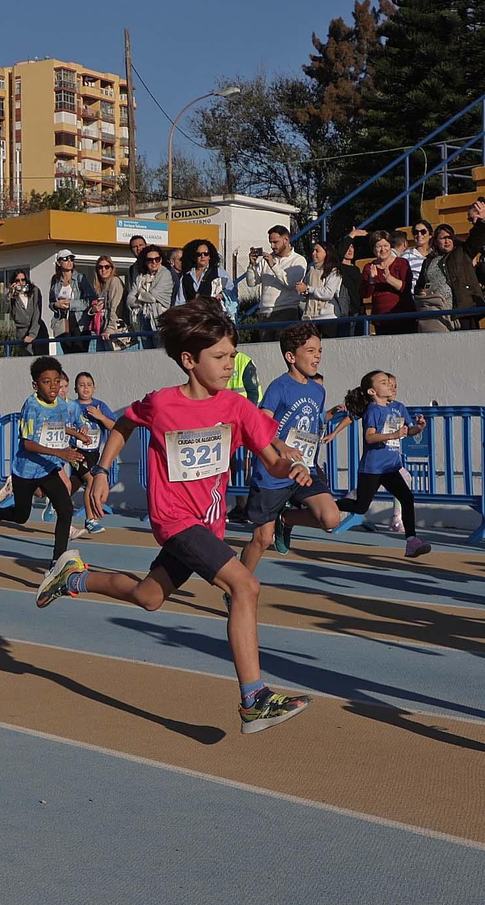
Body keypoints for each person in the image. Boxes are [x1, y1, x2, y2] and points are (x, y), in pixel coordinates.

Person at [58, 298, 315, 734]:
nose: (229, 364)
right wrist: (101, 471)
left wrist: (289, 466)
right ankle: (254, 698)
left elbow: (270, 459)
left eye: (232, 355)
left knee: (149, 597)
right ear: (189, 360)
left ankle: (74, 577)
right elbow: (122, 425)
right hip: (175, 521)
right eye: (219, 357)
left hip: (208, 523)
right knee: (245, 585)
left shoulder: (236, 407)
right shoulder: (161, 404)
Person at [237, 325, 344, 566]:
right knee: (262, 540)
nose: (317, 356)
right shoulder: (279, 387)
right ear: (291, 357)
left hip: (304, 468)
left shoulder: (318, 391)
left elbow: (309, 424)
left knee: (331, 518)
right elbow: (258, 425)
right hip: (274, 471)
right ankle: (238, 587)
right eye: (310, 350)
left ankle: (286, 519)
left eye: (319, 350)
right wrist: (279, 445)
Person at [0, 356, 91, 558]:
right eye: (46, 381)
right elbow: (28, 443)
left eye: (56, 381)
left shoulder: (61, 405)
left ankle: (57, 562)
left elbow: (56, 428)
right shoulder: (31, 407)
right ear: (35, 384)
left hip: (47, 469)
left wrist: (77, 435)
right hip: (26, 471)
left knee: (65, 509)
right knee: (21, 516)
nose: (52, 387)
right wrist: (61, 453)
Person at [335, 370, 431, 559]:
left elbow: (407, 430)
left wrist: (418, 428)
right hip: (372, 468)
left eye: (390, 382)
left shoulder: (398, 408)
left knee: (407, 498)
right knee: (361, 507)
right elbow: (370, 437)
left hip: (391, 467)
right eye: (384, 382)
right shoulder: (373, 411)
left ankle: (411, 541)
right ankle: (326, 505)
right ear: (372, 391)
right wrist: (393, 435)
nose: (390, 385)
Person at [71, 371, 115, 536]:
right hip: (76, 451)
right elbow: (64, 426)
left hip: (94, 453)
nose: (85, 388)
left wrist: (100, 417)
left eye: (89, 385)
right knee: (91, 479)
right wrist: (77, 431)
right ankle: (90, 520)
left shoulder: (100, 406)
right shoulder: (72, 406)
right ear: (76, 389)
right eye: (81, 385)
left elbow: (114, 427)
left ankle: (56, 500)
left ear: (94, 388)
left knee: (75, 481)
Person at [243, 225, 307, 323]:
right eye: (271, 242)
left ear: (286, 240)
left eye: (275, 242)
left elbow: (290, 283)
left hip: (286, 310)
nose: (272, 246)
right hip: (264, 311)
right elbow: (251, 283)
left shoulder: (298, 260)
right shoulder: (266, 260)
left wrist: (273, 265)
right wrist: (252, 265)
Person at [362, 230, 416, 334]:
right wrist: (372, 281)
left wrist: (390, 279)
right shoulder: (369, 267)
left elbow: (406, 288)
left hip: (404, 318)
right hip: (381, 321)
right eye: (378, 246)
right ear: (373, 248)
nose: (383, 249)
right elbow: (364, 293)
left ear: (390, 246)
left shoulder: (401, 263)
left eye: (385, 245)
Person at [171, 238, 237, 317]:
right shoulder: (186, 277)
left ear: (210, 256)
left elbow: (232, 290)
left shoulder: (218, 272)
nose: (203, 256)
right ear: (194, 257)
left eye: (206, 253)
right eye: (199, 254)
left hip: (212, 318)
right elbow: (180, 302)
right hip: (193, 319)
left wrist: (222, 295)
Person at [409, 222, 453, 331]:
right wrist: (420, 291)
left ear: (430, 235)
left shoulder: (457, 254)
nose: (419, 235)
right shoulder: (426, 260)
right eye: (415, 232)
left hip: (455, 308)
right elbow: (418, 285)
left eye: (423, 231)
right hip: (431, 308)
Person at [48, 250, 94, 354]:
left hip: (79, 322)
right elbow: (51, 302)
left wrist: (71, 304)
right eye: (65, 259)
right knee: (67, 353)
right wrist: (56, 305)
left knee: (80, 352)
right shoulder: (55, 280)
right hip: (62, 321)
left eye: (71, 259)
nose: (69, 261)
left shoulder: (80, 278)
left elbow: (90, 300)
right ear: (59, 263)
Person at [127, 246, 173, 345]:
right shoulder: (140, 277)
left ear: (161, 260)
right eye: (150, 260)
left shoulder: (165, 274)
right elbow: (129, 300)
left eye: (157, 259)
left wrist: (139, 295)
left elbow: (153, 296)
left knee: (160, 352)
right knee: (146, 353)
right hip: (143, 319)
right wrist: (144, 299)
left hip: (159, 320)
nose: (154, 262)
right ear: (145, 261)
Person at [295, 240, 344, 325]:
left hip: (327, 317)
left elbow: (328, 293)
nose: (314, 253)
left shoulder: (334, 272)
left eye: (317, 251)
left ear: (326, 253)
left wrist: (307, 288)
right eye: (313, 251)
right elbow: (304, 296)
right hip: (310, 317)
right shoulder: (310, 271)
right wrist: (303, 292)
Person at [89, 256, 131, 350]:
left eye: (107, 267)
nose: (103, 270)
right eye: (100, 267)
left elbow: (115, 308)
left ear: (112, 268)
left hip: (115, 331)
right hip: (102, 329)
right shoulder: (101, 286)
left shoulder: (115, 281)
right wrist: (93, 310)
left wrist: (110, 329)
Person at [7, 269, 48, 355]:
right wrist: (9, 296)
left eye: (23, 280)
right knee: (28, 360)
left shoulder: (34, 291)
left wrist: (32, 334)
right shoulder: (13, 296)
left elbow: (37, 313)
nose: (21, 282)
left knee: (42, 358)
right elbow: (4, 310)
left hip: (38, 330)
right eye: (17, 280)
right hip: (22, 333)